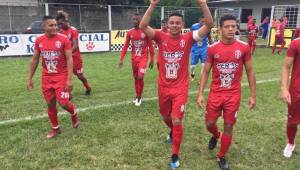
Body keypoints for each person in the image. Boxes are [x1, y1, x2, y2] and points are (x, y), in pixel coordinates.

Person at [139, 0, 213, 169]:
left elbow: (209, 24)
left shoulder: (188, 38)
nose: (174, 25)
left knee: (177, 120)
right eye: (171, 23)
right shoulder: (160, 36)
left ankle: (174, 155)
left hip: (180, 87)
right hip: (163, 86)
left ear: (183, 25)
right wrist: (152, 5)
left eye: (178, 23)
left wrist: (202, 4)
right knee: (165, 116)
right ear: (167, 24)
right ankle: (173, 131)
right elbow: (143, 25)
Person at [197, 14, 256, 170]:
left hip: (233, 95)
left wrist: (252, 95)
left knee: (229, 125)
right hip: (216, 94)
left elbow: (250, 71)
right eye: (227, 26)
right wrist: (200, 93)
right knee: (209, 123)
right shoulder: (212, 48)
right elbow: (206, 72)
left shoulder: (243, 47)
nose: (231, 29)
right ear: (220, 29)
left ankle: (221, 156)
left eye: (233, 26)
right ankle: (216, 135)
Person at [27, 16, 79, 139]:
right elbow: (35, 59)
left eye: (55, 25)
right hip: (46, 78)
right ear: (44, 26)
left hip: (61, 76)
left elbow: (69, 59)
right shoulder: (39, 40)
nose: (55, 27)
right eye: (51, 25)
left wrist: (69, 79)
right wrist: (29, 78)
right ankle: (55, 129)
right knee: (50, 104)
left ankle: (73, 113)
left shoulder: (63, 39)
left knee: (64, 103)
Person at [118, 14, 154, 106]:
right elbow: (125, 46)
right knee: (135, 78)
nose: (134, 21)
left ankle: (139, 97)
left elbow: (150, 46)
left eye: (136, 19)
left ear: (140, 20)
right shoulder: (130, 32)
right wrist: (121, 59)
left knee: (140, 77)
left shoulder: (145, 32)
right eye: (133, 19)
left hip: (143, 58)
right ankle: (137, 95)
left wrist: (152, 59)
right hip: (134, 59)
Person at [56, 10, 91, 95]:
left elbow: (75, 45)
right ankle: (68, 94)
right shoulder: (60, 32)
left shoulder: (73, 30)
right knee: (65, 76)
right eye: (58, 24)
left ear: (66, 21)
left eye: (61, 23)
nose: (60, 26)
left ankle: (88, 87)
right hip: (66, 59)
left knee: (80, 76)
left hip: (75, 59)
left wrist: (68, 53)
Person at [281, 37, 300, 158]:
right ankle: (291, 143)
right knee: (292, 122)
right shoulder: (296, 43)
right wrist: (284, 88)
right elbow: (286, 66)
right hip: (297, 91)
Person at [190, 16, 212, 81]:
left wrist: (211, 45)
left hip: (204, 48)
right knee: (192, 66)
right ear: (199, 21)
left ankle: (201, 79)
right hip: (195, 48)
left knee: (203, 64)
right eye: (202, 21)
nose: (203, 23)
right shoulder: (194, 27)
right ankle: (192, 74)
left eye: (204, 22)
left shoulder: (207, 27)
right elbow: (190, 36)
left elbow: (209, 36)